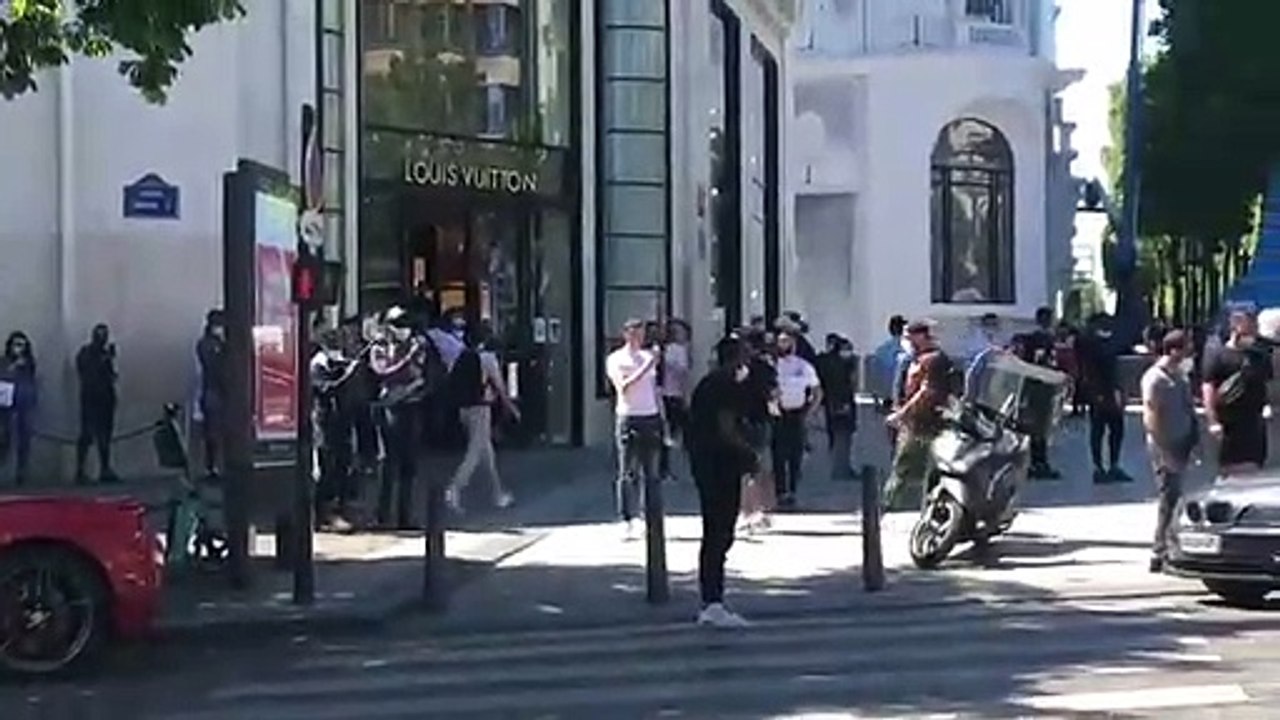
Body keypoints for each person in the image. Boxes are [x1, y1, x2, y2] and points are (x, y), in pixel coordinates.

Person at [687, 335, 757, 628]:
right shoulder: (726, 385)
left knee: (715, 531)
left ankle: (711, 599)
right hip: (719, 465)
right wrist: (748, 452)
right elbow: (726, 426)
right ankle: (712, 601)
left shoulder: (709, 383)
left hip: (706, 462)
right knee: (719, 531)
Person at [444, 325, 518, 514]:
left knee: (487, 453)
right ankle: (454, 489)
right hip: (481, 408)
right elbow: (500, 387)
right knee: (475, 452)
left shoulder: (459, 357)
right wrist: (511, 408)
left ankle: (498, 493)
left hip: (464, 408)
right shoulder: (487, 358)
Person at [1141, 330, 1198, 573]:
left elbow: (1189, 410)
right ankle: (1160, 549)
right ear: (1174, 350)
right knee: (1169, 497)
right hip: (1165, 446)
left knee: (1177, 496)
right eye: (1186, 348)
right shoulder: (1155, 379)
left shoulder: (1180, 377)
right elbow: (1151, 416)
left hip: (1182, 443)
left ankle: (1172, 545)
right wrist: (1163, 451)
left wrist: (1195, 441)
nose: (1189, 353)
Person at [884, 320, 954, 511]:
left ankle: (887, 507)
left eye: (909, 337)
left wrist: (901, 414)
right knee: (913, 468)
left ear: (921, 336)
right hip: (915, 422)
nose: (906, 341)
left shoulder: (934, 360)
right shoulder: (916, 359)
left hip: (925, 423)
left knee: (907, 467)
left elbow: (926, 393)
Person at [605, 318, 664, 540]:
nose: (638, 337)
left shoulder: (648, 356)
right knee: (627, 472)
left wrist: (661, 416)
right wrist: (647, 367)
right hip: (629, 416)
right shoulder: (616, 359)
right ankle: (626, 518)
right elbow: (623, 386)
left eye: (641, 333)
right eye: (634, 333)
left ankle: (648, 516)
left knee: (652, 472)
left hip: (650, 416)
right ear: (626, 334)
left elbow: (654, 390)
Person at [371, 307, 427, 529]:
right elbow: (384, 372)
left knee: (409, 464)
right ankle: (382, 515)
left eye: (405, 325)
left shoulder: (416, 346)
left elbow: (423, 374)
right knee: (387, 463)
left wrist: (414, 383)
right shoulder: (380, 348)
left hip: (411, 407)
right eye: (398, 325)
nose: (403, 330)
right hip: (389, 409)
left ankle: (406, 516)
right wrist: (408, 358)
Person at [1203, 309, 1272, 477]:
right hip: (1228, 423)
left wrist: (1268, 404)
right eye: (1249, 330)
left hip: (1254, 421)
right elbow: (1208, 388)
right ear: (1235, 330)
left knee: (1254, 465)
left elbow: (1267, 382)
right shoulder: (1218, 356)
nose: (1253, 335)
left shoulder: (1259, 356)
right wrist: (1212, 420)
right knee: (1230, 467)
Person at [771, 330, 822, 506]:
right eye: (781, 341)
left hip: (797, 412)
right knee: (778, 454)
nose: (784, 345)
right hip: (778, 414)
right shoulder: (773, 366)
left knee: (795, 454)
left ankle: (792, 489)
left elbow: (817, 391)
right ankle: (780, 491)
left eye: (787, 341)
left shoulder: (803, 366)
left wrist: (809, 412)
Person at [1079, 313, 1130, 483]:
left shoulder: (1096, 342)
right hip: (1101, 391)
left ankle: (1105, 466)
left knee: (1108, 429)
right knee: (1104, 429)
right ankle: (1102, 467)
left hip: (1102, 392)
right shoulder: (1092, 344)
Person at [1020, 307, 1061, 479]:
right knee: (1041, 426)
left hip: (1031, 385)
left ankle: (1034, 462)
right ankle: (1040, 463)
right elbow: (1046, 362)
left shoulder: (1028, 339)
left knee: (1034, 426)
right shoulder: (1045, 339)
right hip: (1042, 386)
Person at [75, 323, 119, 485]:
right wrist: (105, 359)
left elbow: (110, 375)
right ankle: (80, 470)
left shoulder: (104, 353)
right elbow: (87, 373)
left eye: (104, 335)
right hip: (90, 398)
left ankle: (105, 468)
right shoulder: (85, 353)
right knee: (86, 435)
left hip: (105, 398)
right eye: (99, 335)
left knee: (105, 436)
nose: (102, 338)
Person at [816, 334, 858, 480]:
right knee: (844, 437)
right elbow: (849, 384)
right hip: (842, 401)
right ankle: (841, 469)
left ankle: (837, 467)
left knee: (834, 436)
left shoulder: (822, 361)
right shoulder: (844, 364)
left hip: (829, 402)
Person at [0, 332, 38, 486]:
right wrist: (13, 366)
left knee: (24, 439)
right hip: (5, 405)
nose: (19, 349)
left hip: (24, 404)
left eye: (22, 345)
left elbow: (31, 381)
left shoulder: (29, 363)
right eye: (16, 345)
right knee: (4, 439)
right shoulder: (3, 361)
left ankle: (21, 472)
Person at [658, 319, 692, 480]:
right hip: (672, 395)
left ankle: (664, 466)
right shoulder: (676, 350)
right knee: (676, 430)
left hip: (669, 394)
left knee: (672, 430)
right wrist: (685, 395)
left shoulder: (668, 350)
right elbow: (682, 374)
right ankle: (664, 467)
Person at [195, 309, 228, 479]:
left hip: (219, 392)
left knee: (219, 431)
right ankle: (212, 466)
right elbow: (214, 366)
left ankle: (217, 465)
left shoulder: (219, 344)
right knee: (213, 432)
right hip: (213, 392)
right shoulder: (207, 344)